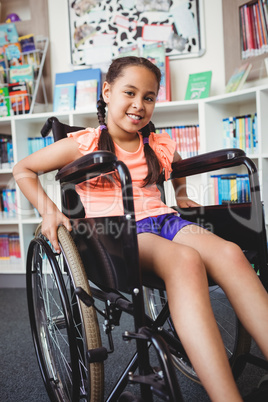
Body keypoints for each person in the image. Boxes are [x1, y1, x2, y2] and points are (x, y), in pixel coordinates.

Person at [13, 56, 268, 402]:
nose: (138, 105)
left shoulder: (156, 144)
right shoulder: (84, 143)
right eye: (129, 93)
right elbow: (23, 169)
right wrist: (50, 211)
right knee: (185, 261)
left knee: (230, 252)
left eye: (148, 97)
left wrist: (181, 194)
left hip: (164, 220)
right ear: (107, 92)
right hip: (117, 233)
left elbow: (177, 165)